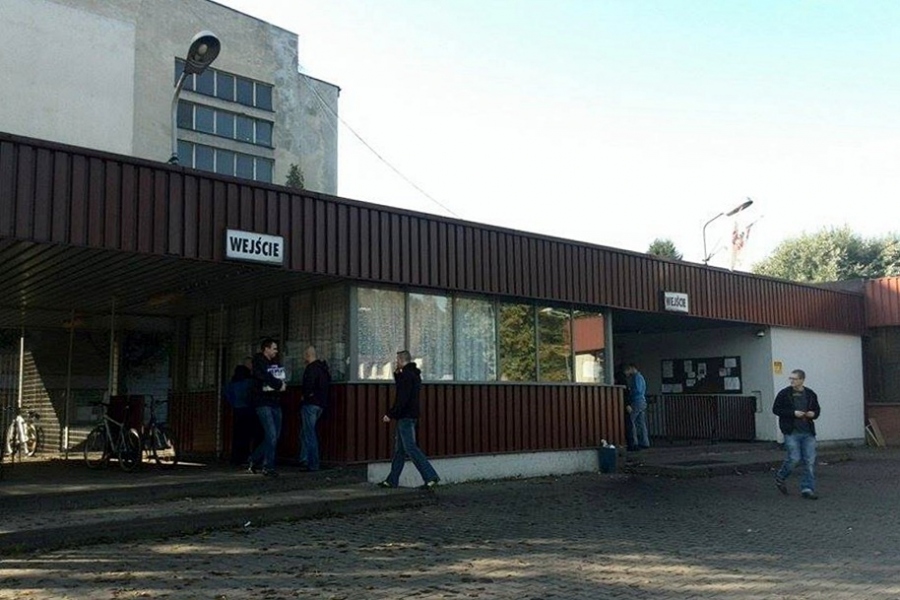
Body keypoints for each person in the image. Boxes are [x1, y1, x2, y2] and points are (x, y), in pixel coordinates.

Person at [378, 350, 440, 490]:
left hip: (405, 416)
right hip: (411, 415)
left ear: (401, 360)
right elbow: (404, 391)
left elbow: (402, 398)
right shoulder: (414, 374)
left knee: (410, 448)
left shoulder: (406, 376)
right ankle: (392, 480)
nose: (396, 362)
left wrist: (391, 414)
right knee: (400, 450)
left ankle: (430, 476)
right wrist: (396, 374)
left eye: (397, 360)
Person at [773, 369, 821, 499]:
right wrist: (793, 413)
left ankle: (807, 488)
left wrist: (813, 414)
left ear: (802, 380)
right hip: (791, 431)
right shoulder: (784, 393)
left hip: (808, 432)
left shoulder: (810, 394)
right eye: (791, 378)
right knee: (794, 458)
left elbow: (817, 410)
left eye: (794, 379)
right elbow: (776, 409)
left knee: (809, 461)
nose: (791, 381)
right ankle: (781, 476)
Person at [248, 338, 286, 477]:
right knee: (272, 435)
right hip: (263, 402)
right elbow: (265, 376)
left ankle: (254, 459)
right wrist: (279, 385)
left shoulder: (274, 363)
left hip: (274, 401)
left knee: (274, 436)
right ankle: (268, 466)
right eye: (274, 348)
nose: (276, 351)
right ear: (266, 349)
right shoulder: (258, 362)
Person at [298, 345, 331, 472]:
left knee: (309, 434)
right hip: (320, 404)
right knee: (307, 432)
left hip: (310, 404)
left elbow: (308, 386)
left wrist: (305, 396)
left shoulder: (310, 369)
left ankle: (311, 462)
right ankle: (305, 458)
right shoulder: (323, 369)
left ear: (308, 355)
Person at [223, 360, 260, 466]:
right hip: (249, 410)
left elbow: (226, 393)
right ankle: (249, 457)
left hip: (237, 410)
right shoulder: (250, 382)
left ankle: (236, 457)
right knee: (249, 435)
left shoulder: (232, 384)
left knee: (238, 435)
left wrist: (233, 403)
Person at [624, 364, 650, 451]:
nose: (627, 372)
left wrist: (630, 391)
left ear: (631, 368)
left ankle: (634, 442)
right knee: (641, 422)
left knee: (631, 421)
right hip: (642, 400)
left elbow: (637, 390)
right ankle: (645, 442)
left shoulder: (636, 377)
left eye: (628, 370)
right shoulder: (641, 377)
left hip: (636, 400)